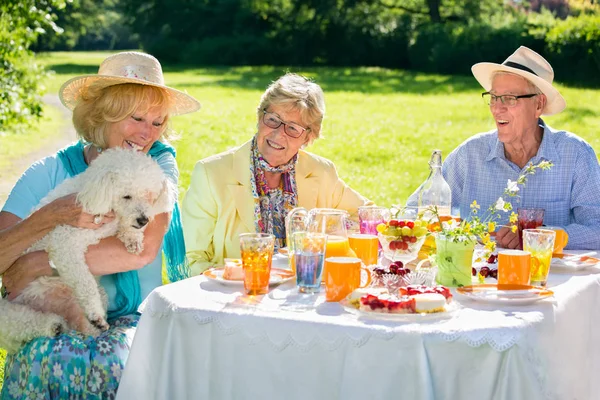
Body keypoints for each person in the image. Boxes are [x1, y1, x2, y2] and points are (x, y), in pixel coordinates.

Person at [0, 51, 200, 398]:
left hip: (132, 316)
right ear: (103, 115)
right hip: (47, 309)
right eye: (136, 117)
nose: (147, 134)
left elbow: (141, 251)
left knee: (112, 360)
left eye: (157, 122)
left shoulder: (157, 166)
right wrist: (51, 216)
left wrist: (34, 263)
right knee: (45, 355)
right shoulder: (49, 171)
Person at [182, 73, 371, 275]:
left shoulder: (322, 172)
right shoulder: (211, 173)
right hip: (238, 294)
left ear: (309, 136)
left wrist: (326, 232)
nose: (279, 134)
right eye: (273, 120)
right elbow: (193, 258)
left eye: (293, 128)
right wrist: (233, 279)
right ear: (259, 116)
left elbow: (368, 217)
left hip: (303, 290)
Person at [443, 46, 600, 250]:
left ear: (538, 105)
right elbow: (421, 213)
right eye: (493, 97)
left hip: (549, 279)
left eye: (509, 99)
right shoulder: (469, 154)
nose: (497, 108)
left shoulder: (576, 154)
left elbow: (596, 228)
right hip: (476, 277)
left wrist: (541, 236)